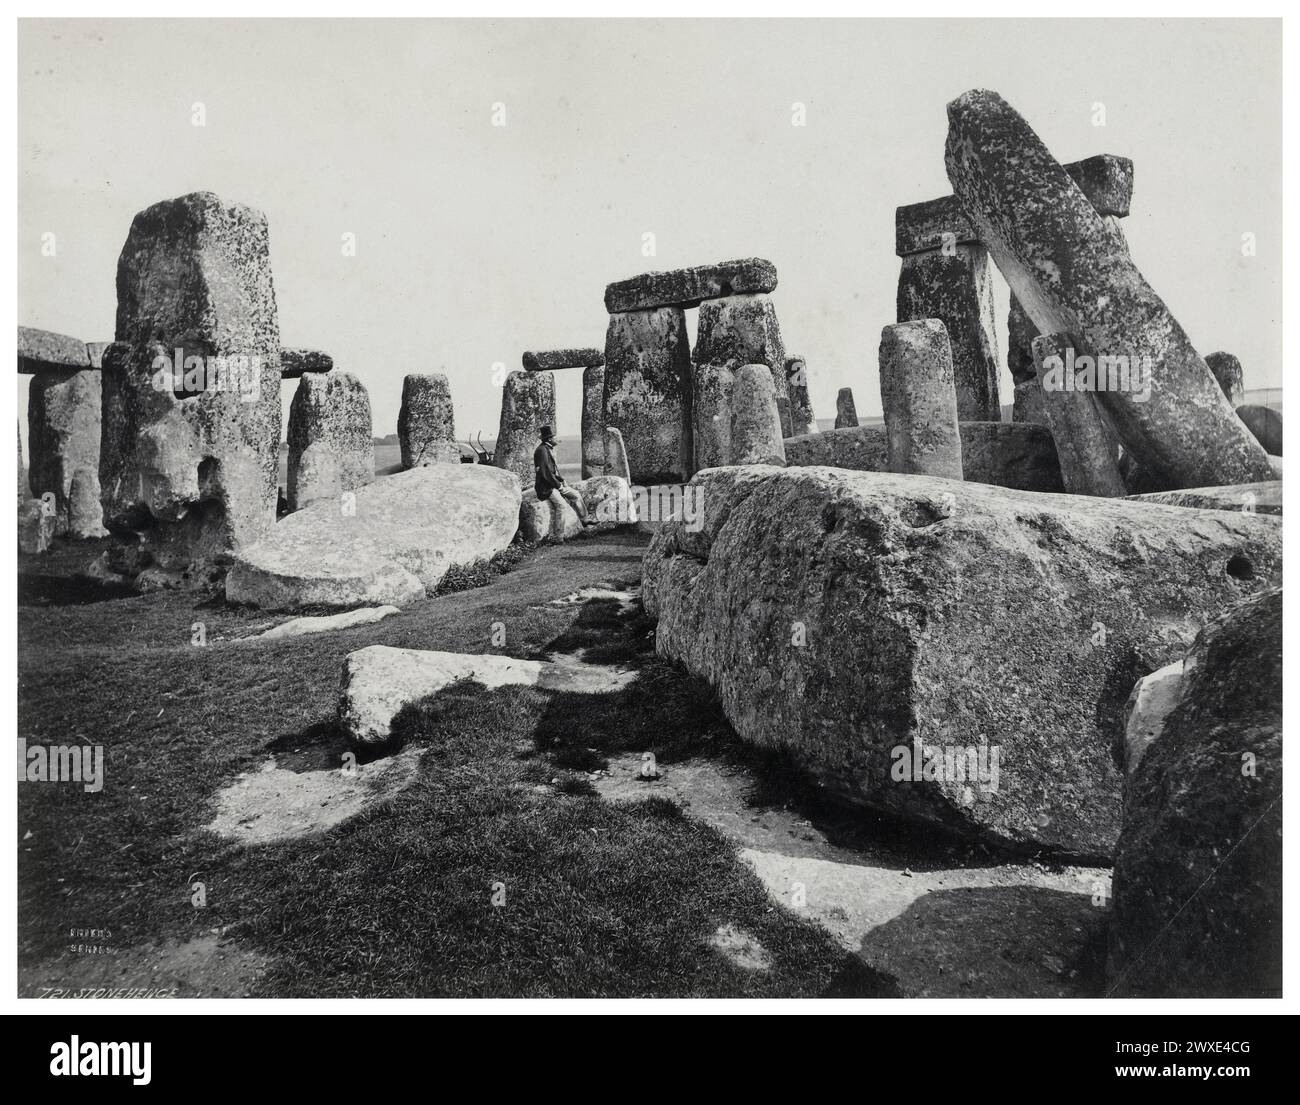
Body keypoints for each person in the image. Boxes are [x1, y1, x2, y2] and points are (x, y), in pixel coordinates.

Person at [534, 425, 595, 527]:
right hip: (546, 487)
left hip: (552, 484)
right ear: (549, 439)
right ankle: (558, 536)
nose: (557, 439)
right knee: (561, 506)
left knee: (576, 495)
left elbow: (550, 472)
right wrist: (559, 486)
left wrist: (561, 480)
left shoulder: (546, 449)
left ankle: (584, 519)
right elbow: (546, 473)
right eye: (554, 437)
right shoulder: (542, 451)